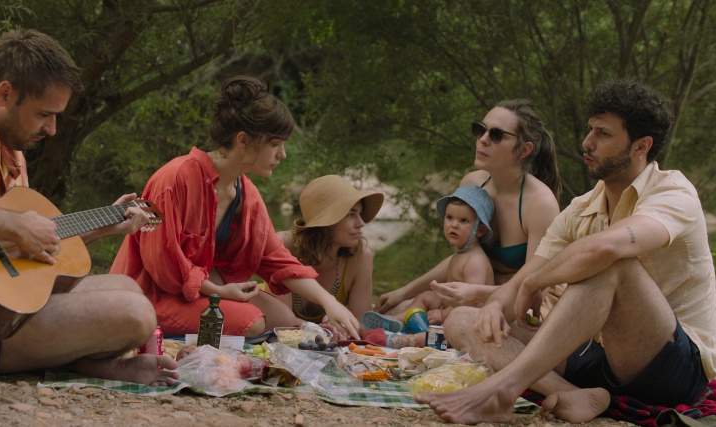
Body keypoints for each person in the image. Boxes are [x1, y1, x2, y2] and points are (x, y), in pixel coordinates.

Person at [416, 79, 716, 424]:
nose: (587, 142)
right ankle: (575, 394)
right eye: (590, 130)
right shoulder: (581, 208)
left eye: (603, 134)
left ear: (641, 146)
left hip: (673, 367)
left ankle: (502, 390)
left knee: (613, 265)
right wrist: (498, 303)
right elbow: (529, 274)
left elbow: (604, 248)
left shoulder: (673, 193)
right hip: (599, 355)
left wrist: (533, 282)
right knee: (463, 318)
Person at [0, 29, 178, 386]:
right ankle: (71, 361)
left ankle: (74, 362)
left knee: (127, 288)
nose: (52, 129)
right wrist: (14, 225)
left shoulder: (11, 152)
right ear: (5, 94)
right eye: (44, 114)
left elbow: (22, 257)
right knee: (135, 313)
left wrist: (104, 227)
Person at [110, 77, 362, 340]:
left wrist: (330, 303)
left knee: (284, 319)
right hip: (150, 294)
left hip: (198, 291)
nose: (282, 154)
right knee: (251, 322)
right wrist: (218, 292)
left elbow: (277, 259)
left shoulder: (246, 193)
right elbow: (164, 268)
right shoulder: (174, 179)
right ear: (243, 139)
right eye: (275, 144)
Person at [375, 99, 561, 321]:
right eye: (480, 130)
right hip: (473, 296)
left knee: (458, 321)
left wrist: (473, 294)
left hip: (524, 307)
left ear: (524, 149)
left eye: (496, 135)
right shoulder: (472, 185)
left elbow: (533, 289)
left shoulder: (540, 204)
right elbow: (460, 258)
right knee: (397, 309)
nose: (482, 139)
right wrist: (404, 291)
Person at [362, 185, 495, 348]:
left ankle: (408, 340)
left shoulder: (476, 261)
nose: (454, 225)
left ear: (480, 230)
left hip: (468, 317)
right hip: (451, 308)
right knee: (427, 296)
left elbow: (470, 302)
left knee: (449, 330)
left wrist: (442, 314)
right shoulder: (460, 253)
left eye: (463, 221)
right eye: (449, 218)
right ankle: (399, 320)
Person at [275, 175, 384, 334]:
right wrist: (321, 330)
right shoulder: (284, 246)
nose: (361, 223)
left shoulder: (360, 257)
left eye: (360, 214)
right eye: (350, 214)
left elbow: (360, 324)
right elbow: (280, 322)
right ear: (326, 221)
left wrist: (340, 328)